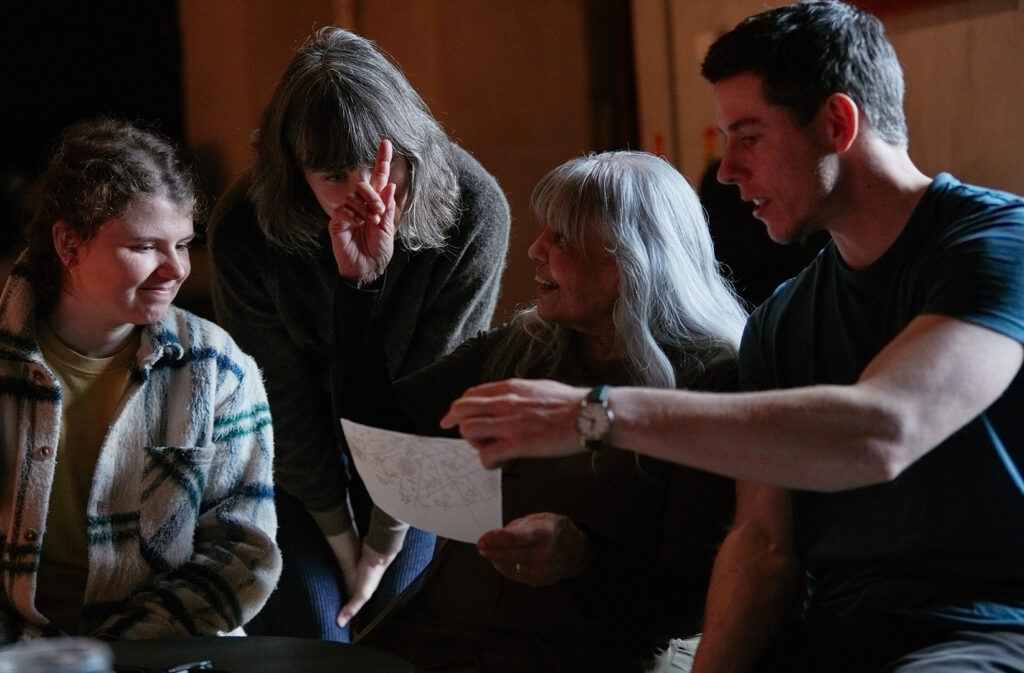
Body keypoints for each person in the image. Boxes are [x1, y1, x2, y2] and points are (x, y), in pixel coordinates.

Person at [441, 3, 1024, 672]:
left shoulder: (996, 242)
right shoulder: (785, 317)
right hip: (835, 636)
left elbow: (885, 429)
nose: (725, 170)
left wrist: (594, 414)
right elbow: (761, 546)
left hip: (984, 632)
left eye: (749, 135)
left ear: (837, 123)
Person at [332, 150, 745, 673]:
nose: (534, 249)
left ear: (633, 257)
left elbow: (693, 599)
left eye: (562, 237)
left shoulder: (712, 378)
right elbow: (378, 429)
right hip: (441, 642)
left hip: (596, 655)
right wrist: (361, 289)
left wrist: (583, 558)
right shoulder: (525, 343)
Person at [207, 27, 511, 641]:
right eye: (334, 177)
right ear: (296, 173)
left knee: (399, 624)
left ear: (409, 144)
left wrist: (380, 546)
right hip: (300, 444)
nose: (365, 193)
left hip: (427, 437)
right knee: (316, 627)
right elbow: (281, 401)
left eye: (380, 164)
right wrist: (343, 541)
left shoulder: (475, 207)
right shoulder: (245, 227)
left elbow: (428, 401)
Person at [0, 117, 280, 642]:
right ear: (68, 244)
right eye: (145, 246)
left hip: (166, 644)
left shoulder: (218, 369)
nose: (175, 269)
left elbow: (243, 556)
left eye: (183, 244)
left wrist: (127, 648)